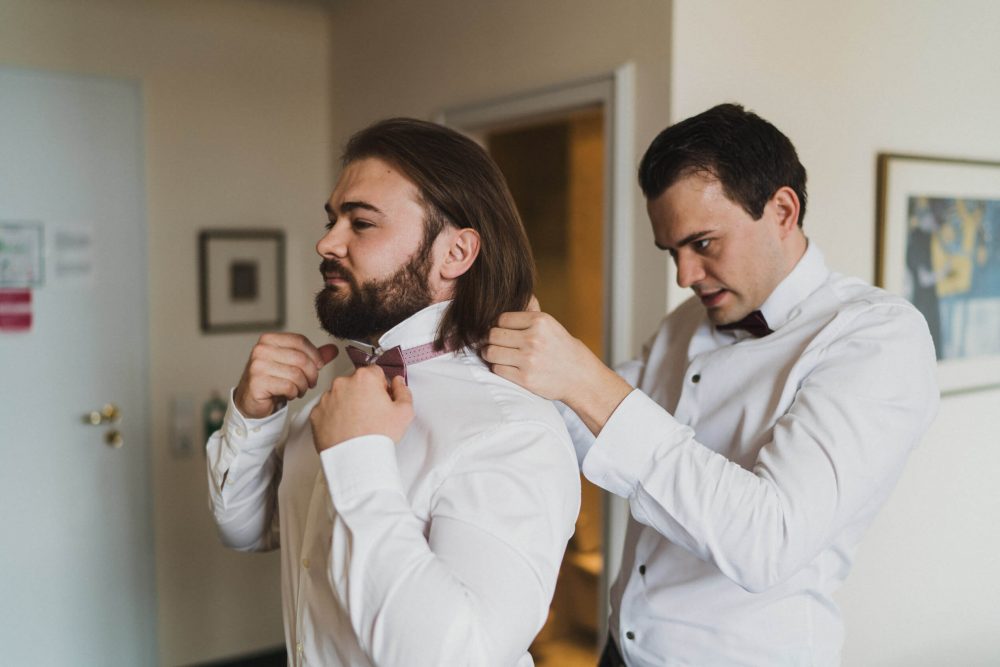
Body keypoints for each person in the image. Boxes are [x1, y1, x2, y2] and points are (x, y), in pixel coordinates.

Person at [484, 103, 939, 666]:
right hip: (619, 652)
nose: (684, 276)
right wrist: (513, 365)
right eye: (672, 252)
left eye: (702, 244)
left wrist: (586, 378)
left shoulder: (875, 338)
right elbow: (594, 429)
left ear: (782, 210)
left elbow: (767, 542)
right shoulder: (685, 323)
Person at [207, 118, 580, 667]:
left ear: (455, 253)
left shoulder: (511, 429)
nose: (327, 242)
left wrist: (358, 460)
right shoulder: (339, 396)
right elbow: (242, 529)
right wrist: (253, 416)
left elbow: (457, 657)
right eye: (333, 219)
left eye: (361, 222)